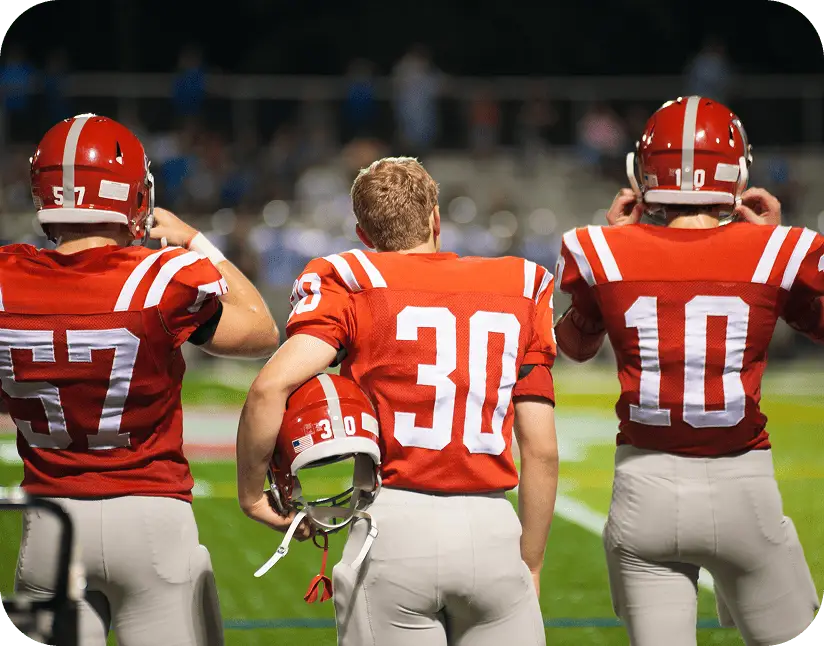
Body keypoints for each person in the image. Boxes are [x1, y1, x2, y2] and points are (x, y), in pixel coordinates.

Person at [237, 157, 559, 646]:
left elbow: (268, 388)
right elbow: (541, 448)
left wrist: (252, 495)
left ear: (364, 235)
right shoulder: (520, 286)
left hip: (393, 523)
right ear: (436, 219)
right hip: (493, 529)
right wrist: (529, 563)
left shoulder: (353, 279)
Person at [3, 114, 280, 646]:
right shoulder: (159, 278)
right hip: (152, 524)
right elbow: (262, 329)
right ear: (132, 194)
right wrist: (195, 239)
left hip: (48, 525)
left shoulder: (5, 278)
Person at [554, 96, 821, 646]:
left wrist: (615, 248)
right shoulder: (783, 249)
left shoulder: (597, 249)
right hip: (744, 488)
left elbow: (576, 345)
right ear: (738, 173)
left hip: (643, 489)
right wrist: (769, 240)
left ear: (643, 173)